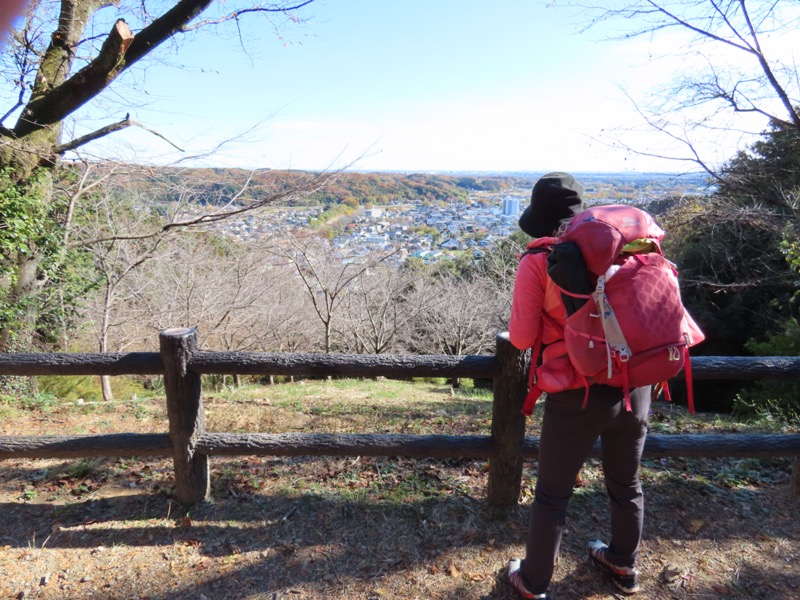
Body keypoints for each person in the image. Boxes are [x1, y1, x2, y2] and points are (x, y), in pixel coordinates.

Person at [505, 172, 650, 599]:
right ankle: (623, 564)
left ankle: (532, 582)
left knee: (553, 494)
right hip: (634, 383)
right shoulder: (622, 250)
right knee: (627, 483)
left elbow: (520, 338)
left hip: (576, 390)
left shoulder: (539, 261)